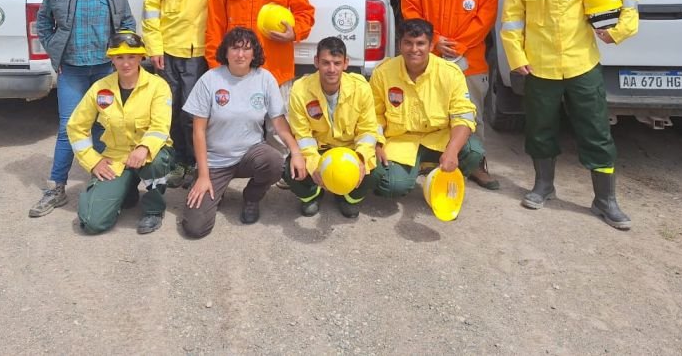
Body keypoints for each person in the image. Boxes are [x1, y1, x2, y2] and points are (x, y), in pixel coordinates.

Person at [500, 0, 639, 229]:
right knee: (539, 129)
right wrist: (517, 57)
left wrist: (619, 31)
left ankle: (605, 200)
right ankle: (543, 186)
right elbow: (512, 17)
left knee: (596, 132)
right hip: (539, 67)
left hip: (581, 65)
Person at [30, 0, 137, 218]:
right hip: (73, 70)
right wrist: (56, 53)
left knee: (104, 126)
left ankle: (102, 178)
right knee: (69, 127)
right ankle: (56, 187)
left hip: (104, 70)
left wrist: (122, 59)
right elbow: (43, 23)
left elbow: (126, 22)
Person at [401, 0, 500, 190]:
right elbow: (409, 9)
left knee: (471, 115)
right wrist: (433, 42)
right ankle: (422, 160)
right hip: (425, 60)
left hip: (469, 62)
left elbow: (486, 15)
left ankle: (477, 164)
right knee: (421, 112)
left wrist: (458, 44)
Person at [143, 0, 239, 190]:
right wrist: (154, 47)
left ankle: (200, 162)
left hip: (202, 51)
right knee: (170, 109)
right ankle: (180, 162)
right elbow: (151, 5)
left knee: (197, 111)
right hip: (169, 49)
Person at [181, 27, 306, 238]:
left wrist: (296, 152)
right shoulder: (210, 80)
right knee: (195, 228)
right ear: (226, 52)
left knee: (274, 161)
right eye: (235, 48)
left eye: (247, 49)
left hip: (250, 155)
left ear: (254, 53)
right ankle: (210, 187)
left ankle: (252, 197)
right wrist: (203, 175)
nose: (241, 54)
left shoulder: (265, 79)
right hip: (215, 162)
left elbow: (279, 122)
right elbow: (198, 131)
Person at [67, 32, 174, 234]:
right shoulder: (100, 88)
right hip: (116, 157)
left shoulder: (157, 86)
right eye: (120, 58)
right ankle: (126, 191)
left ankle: (153, 210)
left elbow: (160, 127)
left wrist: (144, 147)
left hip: (149, 154)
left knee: (156, 162)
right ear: (112, 59)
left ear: (141, 57)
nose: (126, 63)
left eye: (131, 57)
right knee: (92, 222)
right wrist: (93, 161)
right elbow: (76, 126)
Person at [369, 19, 485, 203]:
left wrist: (453, 150)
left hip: (440, 139)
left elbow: (463, 115)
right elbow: (374, 115)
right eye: (408, 43)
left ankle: (442, 181)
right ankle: (415, 169)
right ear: (400, 45)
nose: (414, 49)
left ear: (431, 45)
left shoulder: (450, 73)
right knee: (391, 186)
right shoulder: (383, 72)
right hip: (401, 141)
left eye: (420, 43)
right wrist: (376, 144)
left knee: (473, 152)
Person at [284, 37, 378, 218]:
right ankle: (312, 195)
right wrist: (314, 166)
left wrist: (360, 158)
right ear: (316, 62)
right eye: (326, 63)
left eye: (337, 63)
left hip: (349, 150)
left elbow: (368, 130)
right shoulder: (300, 89)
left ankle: (347, 197)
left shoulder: (361, 87)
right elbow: (302, 135)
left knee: (373, 169)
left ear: (346, 64)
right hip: (319, 150)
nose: (331, 69)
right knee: (291, 169)